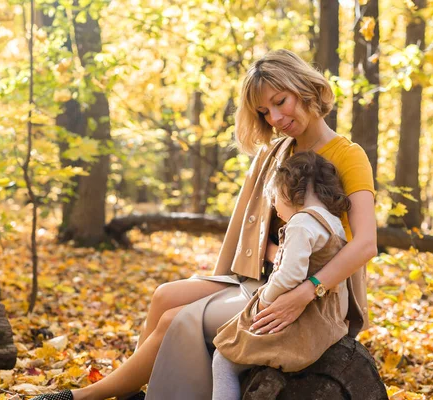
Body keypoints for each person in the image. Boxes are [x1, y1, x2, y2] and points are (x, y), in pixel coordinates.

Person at [32, 49, 376, 400]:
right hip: (265, 276)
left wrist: (307, 291)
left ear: (304, 88)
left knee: (177, 321)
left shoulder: (347, 154)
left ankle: (86, 397)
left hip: (315, 293)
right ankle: (131, 392)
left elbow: (365, 244)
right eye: (264, 112)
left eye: (280, 101)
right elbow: (271, 236)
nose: (275, 117)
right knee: (164, 297)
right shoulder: (278, 153)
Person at [211, 150, 351, 399]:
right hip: (326, 320)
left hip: (300, 324)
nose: (274, 208)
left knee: (223, 356)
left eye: (274, 199)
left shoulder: (300, 224)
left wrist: (263, 300)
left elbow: (289, 276)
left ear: (289, 190)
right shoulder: (334, 223)